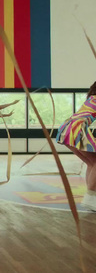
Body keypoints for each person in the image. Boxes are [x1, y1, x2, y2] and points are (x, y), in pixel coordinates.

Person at [56, 81, 96, 211]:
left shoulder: (91, 99)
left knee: (91, 163)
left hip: (67, 128)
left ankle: (92, 197)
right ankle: (90, 197)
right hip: (78, 128)